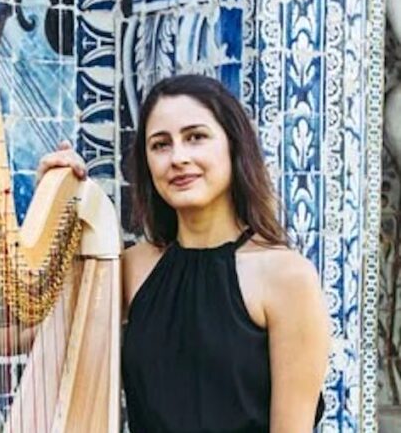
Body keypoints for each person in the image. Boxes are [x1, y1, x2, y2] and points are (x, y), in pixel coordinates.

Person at [38, 74, 330, 432]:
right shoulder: (131, 268)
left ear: (234, 146)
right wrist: (52, 204)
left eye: (195, 137)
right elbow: (8, 339)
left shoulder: (287, 277)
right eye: (160, 145)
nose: (178, 158)